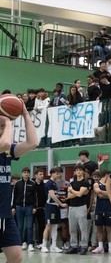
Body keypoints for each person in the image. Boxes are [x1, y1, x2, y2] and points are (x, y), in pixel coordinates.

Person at [0, 104, 37, 263]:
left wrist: (25, 115)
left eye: (3, 126)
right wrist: (8, 120)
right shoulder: (4, 146)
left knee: (16, 256)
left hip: (4, 215)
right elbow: (6, 143)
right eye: (0, 126)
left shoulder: (6, 152)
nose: (3, 129)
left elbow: (32, 142)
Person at [41, 167, 68, 253]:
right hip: (50, 207)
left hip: (56, 207)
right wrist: (61, 204)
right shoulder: (49, 183)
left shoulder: (54, 184)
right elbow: (52, 196)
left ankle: (53, 246)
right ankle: (44, 245)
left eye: (59, 173)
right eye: (57, 173)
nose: (59, 175)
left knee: (55, 226)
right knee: (48, 226)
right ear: (52, 174)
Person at [65, 164, 90, 255]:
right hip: (72, 207)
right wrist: (78, 192)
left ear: (83, 171)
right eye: (77, 170)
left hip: (81, 207)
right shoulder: (72, 183)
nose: (78, 171)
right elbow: (69, 196)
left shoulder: (85, 182)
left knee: (83, 228)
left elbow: (79, 195)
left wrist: (73, 191)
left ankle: (84, 246)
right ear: (75, 172)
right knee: (72, 228)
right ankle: (74, 246)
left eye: (80, 170)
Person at [12, 167, 36, 252]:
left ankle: (30, 244)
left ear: (29, 174)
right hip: (19, 207)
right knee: (20, 227)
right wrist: (13, 207)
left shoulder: (32, 183)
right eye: (24, 172)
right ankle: (21, 243)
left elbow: (34, 197)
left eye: (27, 172)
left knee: (29, 227)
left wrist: (34, 207)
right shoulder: (18, 183)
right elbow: (14, 196)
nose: (26, 174)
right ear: (22, 173)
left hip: (29, 207)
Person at [92, 170, 111, 254]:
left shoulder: (110, 185)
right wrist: (107, 193)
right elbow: (99, 194)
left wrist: (106, 193)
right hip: (99, 209)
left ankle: (110, 247)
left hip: (108, 209)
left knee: (109, 228)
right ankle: (100, 246)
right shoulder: (96, 184)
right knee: (99, 228)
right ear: (106, 175)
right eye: (110, 175)